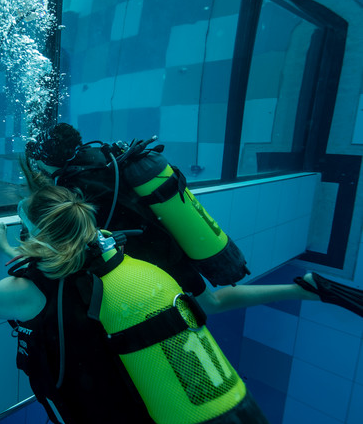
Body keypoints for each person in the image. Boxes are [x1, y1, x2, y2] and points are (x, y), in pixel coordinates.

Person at [0, 183, 279, 424]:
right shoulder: (110, 263)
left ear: (41, 235)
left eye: (26, 228)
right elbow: (62, 273)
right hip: (145, 399)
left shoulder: (23, 290)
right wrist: (7, 247)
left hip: (109, 420)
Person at [24, 123, 363, 318]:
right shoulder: (103, 157)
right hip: (168, 234)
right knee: (211, 302)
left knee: (208, 305)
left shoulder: (76, 183)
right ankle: (302, 289)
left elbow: (71, 230)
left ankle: (303, 289)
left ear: (49, 161)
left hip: (155, 255)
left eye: (39, 163)